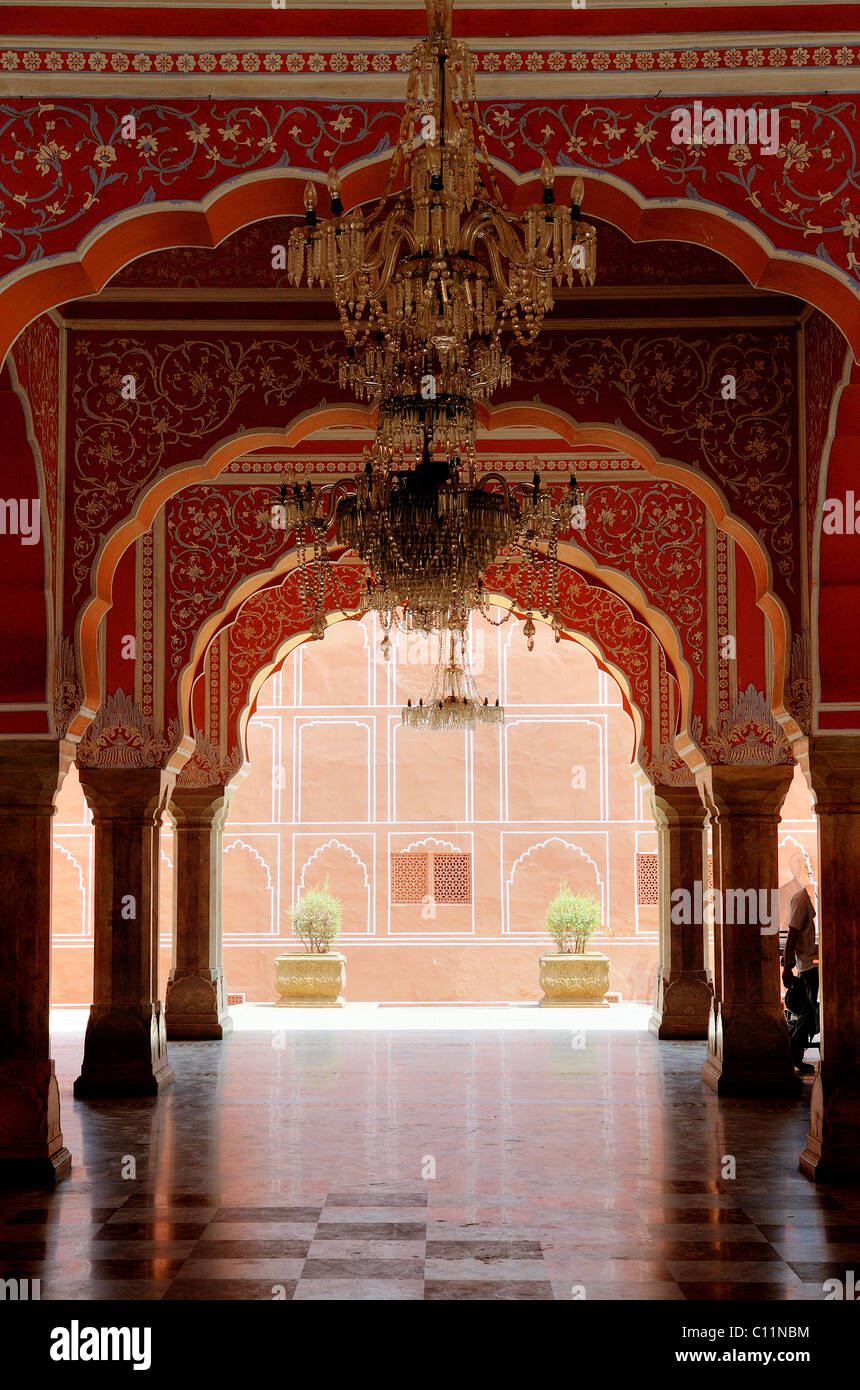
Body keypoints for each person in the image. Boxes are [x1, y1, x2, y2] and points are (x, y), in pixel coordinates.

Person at [782, 883, 818, 1076]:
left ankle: (794, 1050)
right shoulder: (800, 898)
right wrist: (787, 966)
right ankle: (794, 1052)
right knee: (809, 1013)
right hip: (807, 966)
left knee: (810, 1013)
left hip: (812, 963)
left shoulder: (807, 898)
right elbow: (792, 935)